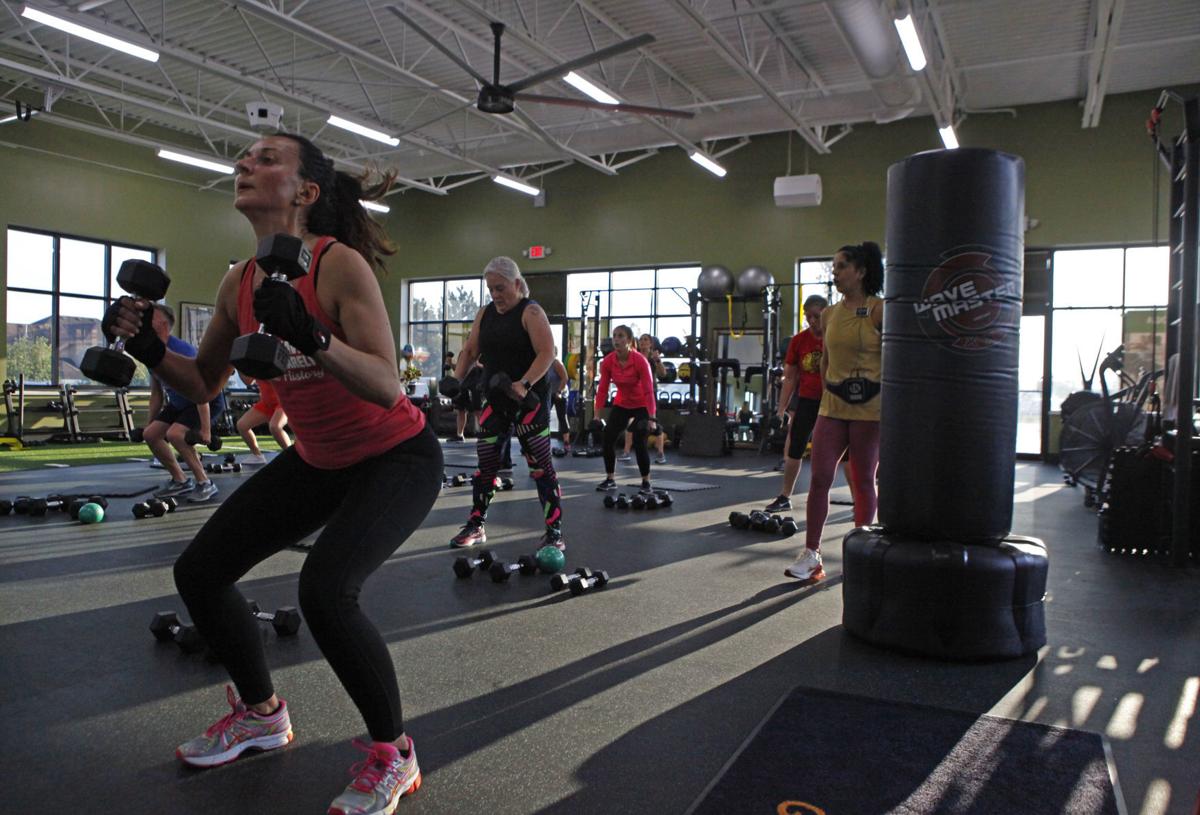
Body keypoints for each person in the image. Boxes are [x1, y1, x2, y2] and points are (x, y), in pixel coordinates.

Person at [102, 132, 441, 814]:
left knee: (326, 590)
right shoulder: (241, 281)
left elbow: (384, 384)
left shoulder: (337, 265)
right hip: (317, 457)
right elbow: (200, 381)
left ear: (306, 191)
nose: (244, 164)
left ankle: (392, 754)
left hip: (394, 456)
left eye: (265, 158)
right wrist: (148, 347)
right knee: (200, 570)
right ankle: (262, 713)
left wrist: (314, 336)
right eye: (243, 157)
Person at [446, 256, 563, 551]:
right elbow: (470, 349)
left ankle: (554, 532)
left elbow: (548, 352)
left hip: (530, 400)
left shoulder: (531, 311)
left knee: (540, 467)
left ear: (517, 283)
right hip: (496, 398)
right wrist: (456, 382)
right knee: (486, 462)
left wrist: (523, 384)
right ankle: (476, 525)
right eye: (491, 290)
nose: (496, 295)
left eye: (501, 288)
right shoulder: (485, 314)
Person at [786, 243, 883, 581]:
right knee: (820, 477)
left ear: (861, 271)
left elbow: (893, 360)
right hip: (833, 406)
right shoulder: (829, 314)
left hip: (870, 410)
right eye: (834, 266)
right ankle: (812, 555)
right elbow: (826, 359)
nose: (835, 272)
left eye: (841, 266)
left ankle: (864, 552)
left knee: (862, 480)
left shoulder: (878, 310)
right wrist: (831, 388)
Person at [142, 303, 225, 503]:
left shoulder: (181, 350)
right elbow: (157, 394)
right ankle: (180, 480)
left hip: (205, 400)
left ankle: (205, 483)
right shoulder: (151, 352)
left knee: (175, 434)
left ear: (162, 324)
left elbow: (201, 390)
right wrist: (150, 422)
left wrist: (206, 430)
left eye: (149, 317)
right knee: (151, 435)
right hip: (180, 402)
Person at [764, 294, 827, 513]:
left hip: (833, 401)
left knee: (844, 453)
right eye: (808, 316)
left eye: (816, 316)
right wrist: (781, 409)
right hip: (808, 399)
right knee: (795, 447)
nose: (812, 321)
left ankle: (858, 500)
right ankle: (784, 496)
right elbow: (790, 377)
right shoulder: (799, 341)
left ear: (826, 315)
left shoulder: (835, 338)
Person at [595, 325, 658, 495]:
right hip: (622, 403)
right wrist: (596, 415)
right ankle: (610, 479)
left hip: (642, 404)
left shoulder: (640, 361)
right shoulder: (608, 361)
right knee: (608, 437)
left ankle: (646, 482)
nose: (616, 339)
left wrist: (651, 417)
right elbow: (602, 389)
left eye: (621, 336)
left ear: (629, 341)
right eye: (614, 336)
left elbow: (648, 390)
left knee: (639, 439)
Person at [621, 333, 667, 465]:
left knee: (654, 425)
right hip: (635, 394)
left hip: (649, 394)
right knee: (631, 425)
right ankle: (626, 452)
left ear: (651, 343)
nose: (642, 342)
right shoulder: (634, 356)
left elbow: (663, 374)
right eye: (640, 339)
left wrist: (657, 360)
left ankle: (660, 454)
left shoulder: (653, 358)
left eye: (645, 340)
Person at [235, 379, 291, 465]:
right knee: (242, 425)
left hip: (283, 401)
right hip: (267, 403)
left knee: (275, 427)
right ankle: (257, 456)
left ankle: (292, 457)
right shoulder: (256, 366)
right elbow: (248, 381)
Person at [544, 347, 571, 454]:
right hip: (550, 393)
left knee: (562, 417)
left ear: (554, 353)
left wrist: (559, 392)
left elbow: (565, 378)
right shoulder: (545, 364)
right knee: (544, 418)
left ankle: (566, 443)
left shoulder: (556, 363)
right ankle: (544, 443)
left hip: (560, 393)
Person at [450, 359, 484, 442]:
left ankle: (484, 434)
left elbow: (489, 368)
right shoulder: (464, 353)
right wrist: (450, 363)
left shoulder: (482, 353)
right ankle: (459, 435)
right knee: (461, 409)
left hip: (477, 384)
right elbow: (458, 369)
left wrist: (478, 364)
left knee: (478, 410)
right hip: (463, 384)